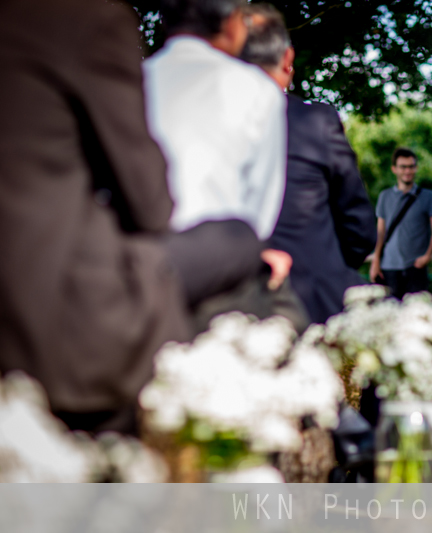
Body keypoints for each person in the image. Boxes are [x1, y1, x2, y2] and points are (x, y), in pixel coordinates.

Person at [0, 0, 265, 435]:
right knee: (239, 239)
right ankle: (216, 433)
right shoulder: (87, 17)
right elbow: (150, 204)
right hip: (52, 319)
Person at [143, 0, 305, 331]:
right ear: (232, 24)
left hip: (136, 265)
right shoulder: (257, 89)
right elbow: (258, 216)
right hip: (220, 281)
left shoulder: (133, 80)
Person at [240, 4, 377, 324]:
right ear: (287, 59)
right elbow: (359, 227)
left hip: (227, 299)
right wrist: (324, 262)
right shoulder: (316, 120)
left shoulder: (207, 123)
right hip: (312, 300)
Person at [369, 148, 432, 299]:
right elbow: (380, 231)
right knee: (390, 315)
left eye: (411, 166)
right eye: (403, 167)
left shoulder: (428, 196)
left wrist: (428, 256)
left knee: (417, 315)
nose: (408, 171)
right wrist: (375, 261)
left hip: (415, 266)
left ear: (416, 168)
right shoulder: (384, 196)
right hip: (388, 267)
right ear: (394, 169)